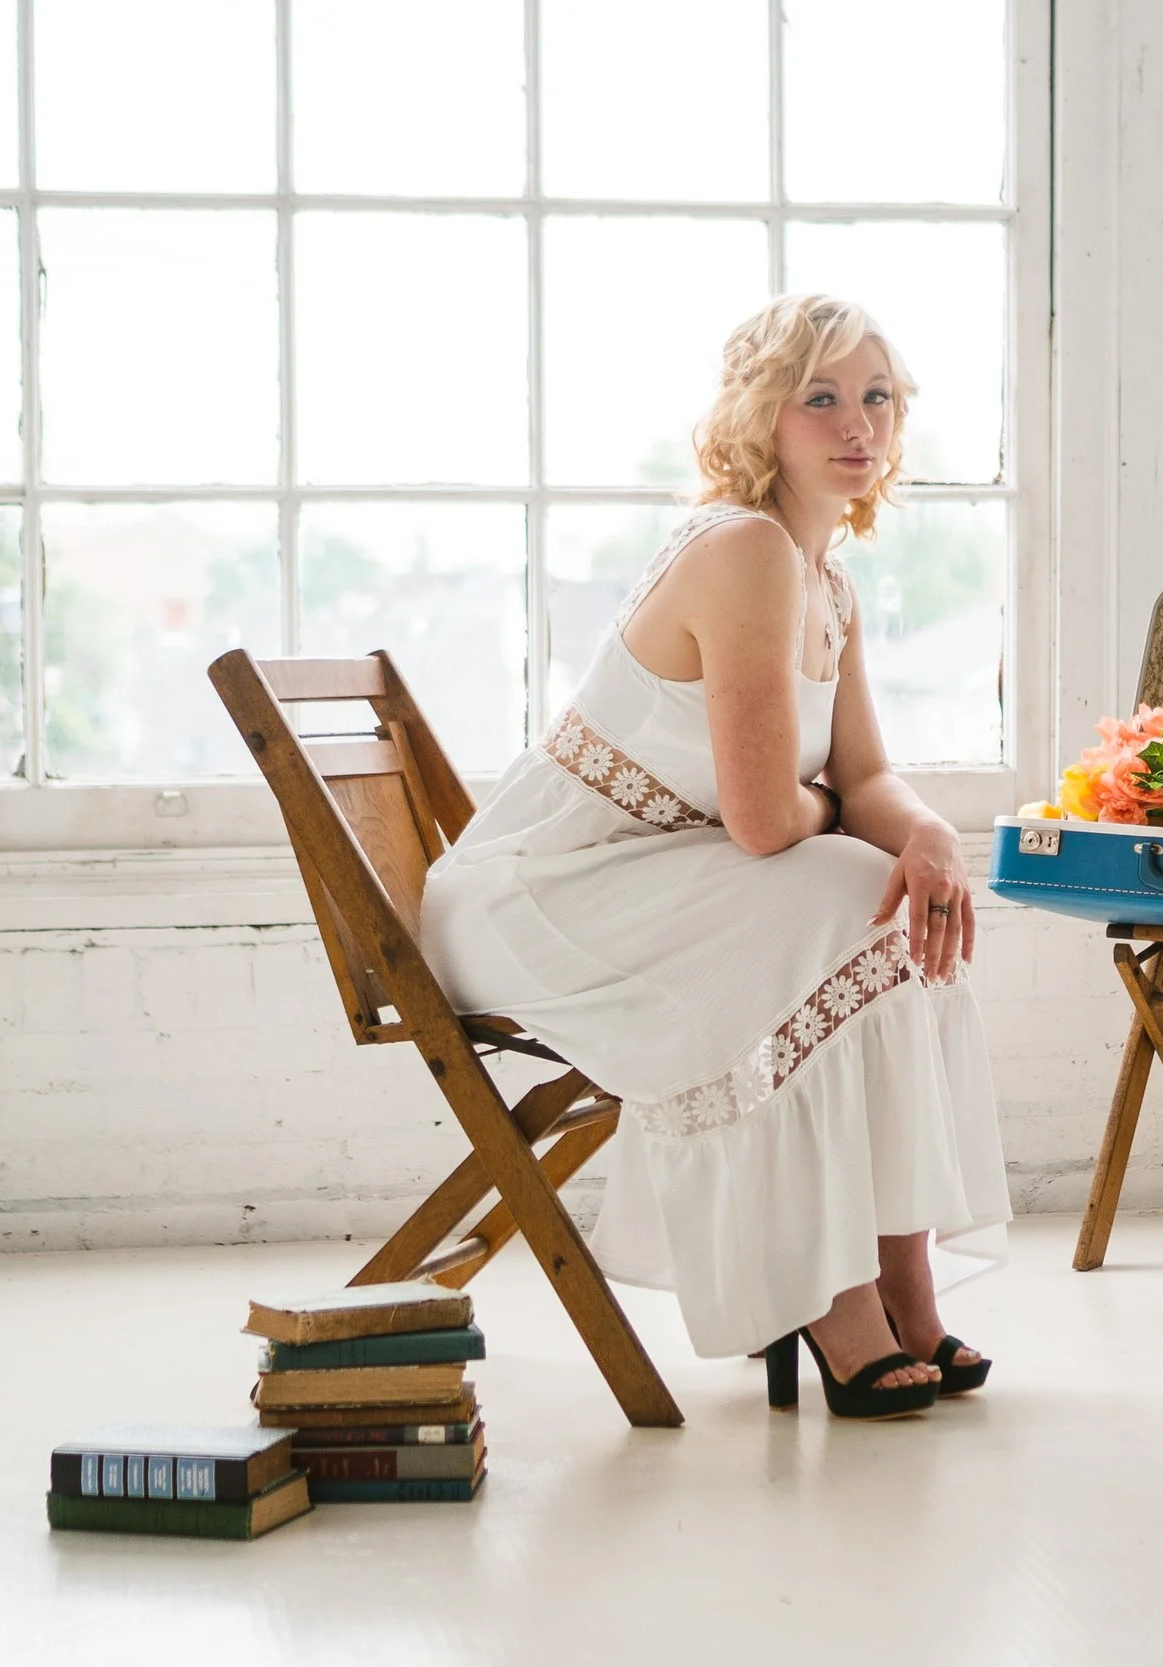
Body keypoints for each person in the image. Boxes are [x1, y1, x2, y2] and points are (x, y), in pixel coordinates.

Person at [419, 294, 1008, 1421]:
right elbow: (760, 821)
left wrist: (928, 833)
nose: (858, 425)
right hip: (538, 901)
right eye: (820, 398)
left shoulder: (826, 579)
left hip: (644, 884)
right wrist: (846, 811)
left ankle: (903, 1281)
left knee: (885, 889)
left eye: (876, 397)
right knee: (838, 894)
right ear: (761, 417)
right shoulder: (745, 552)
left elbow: (863, 778)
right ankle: (831, 1298)